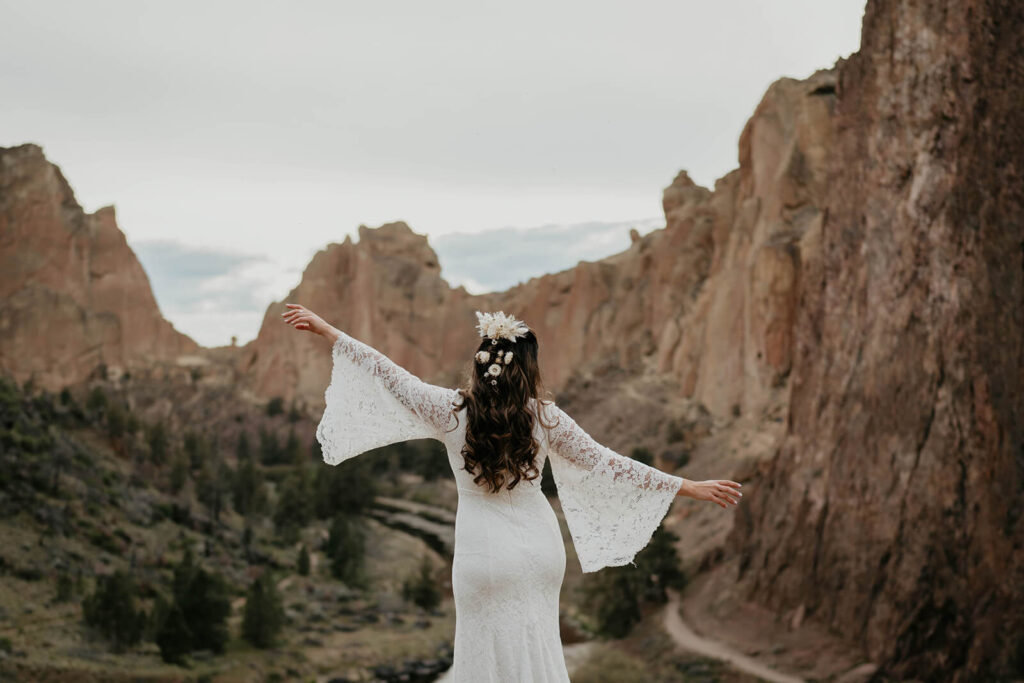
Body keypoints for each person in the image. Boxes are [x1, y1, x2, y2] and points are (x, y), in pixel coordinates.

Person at [282, 304, 742, 682]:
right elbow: (607, 462)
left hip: (483, 553)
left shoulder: (450, 409)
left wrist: (329, 331)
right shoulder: (545, 418)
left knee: (483, 657)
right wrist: (687, 486)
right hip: (540, 551)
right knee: (539, 649)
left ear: (483, 362)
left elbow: (389, 374)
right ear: (528, 368)